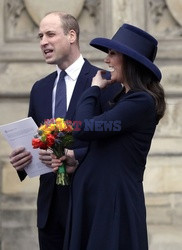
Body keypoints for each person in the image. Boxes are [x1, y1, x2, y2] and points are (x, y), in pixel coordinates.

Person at [9, 11, 120, 250]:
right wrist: (22, 161)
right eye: (40, 36)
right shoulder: (40, 88)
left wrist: (75, 156)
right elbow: (36, 141)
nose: (43, 42)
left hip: (88, 204)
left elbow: (112, 144)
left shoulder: (105, 81)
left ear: (72, 35)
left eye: (50, 34)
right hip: (50, 212)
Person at [61, 23, 166, 250]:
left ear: (129, 60)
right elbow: (107, 148)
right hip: (99, 200)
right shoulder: (123, 100)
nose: (107, 60)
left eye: (112, 54)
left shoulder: (140, 102)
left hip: (114, 202)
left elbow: (83, 128)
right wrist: (77, 158)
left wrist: (93, 89)